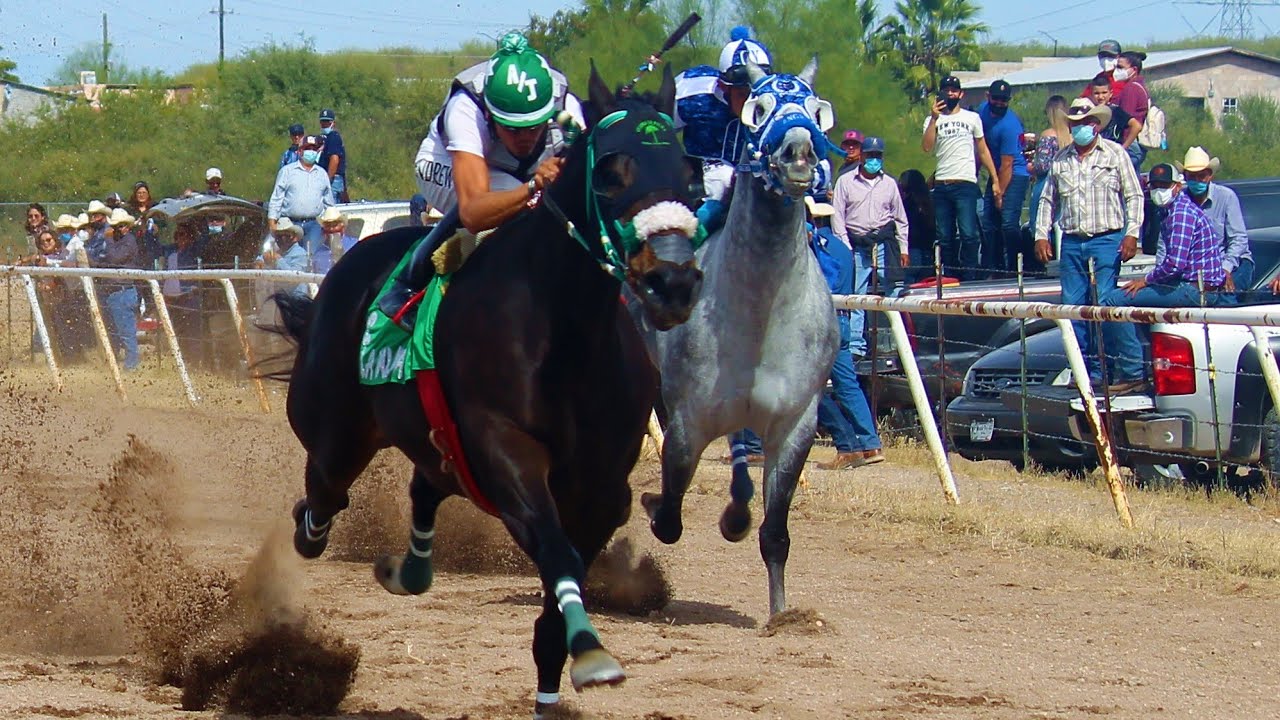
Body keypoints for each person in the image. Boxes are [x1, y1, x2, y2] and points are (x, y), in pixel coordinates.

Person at [380, 31, 582, 328]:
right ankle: (406, 283)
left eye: (534, 127)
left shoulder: (568, 108)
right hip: (443, 163)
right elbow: (474, 212)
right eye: (513, 129)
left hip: (516, 173)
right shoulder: (466, 109)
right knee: (514, 200)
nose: (525, 138)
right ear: (489, 114)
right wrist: (533, 187)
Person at [1033, 98, 1146, 394]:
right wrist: (1041, 234)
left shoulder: (1115, 154)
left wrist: (1131, 233)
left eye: (1084, 123)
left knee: (1106, 305)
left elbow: (1134, 195)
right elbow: (1047, 199)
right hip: (1072, 240)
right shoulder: (1062, 159)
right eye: (1075, 124)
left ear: (1095, 125)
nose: (1079, 129)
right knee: (1073, 307)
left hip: (1107, 239)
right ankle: (1086, 370)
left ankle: (1121, 369)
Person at [1102, 163, 1230, 373]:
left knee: (1115, 301)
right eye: (1155, 185)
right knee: (1134, 304)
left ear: (1177, 186)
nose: (1159, 190)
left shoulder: (1181, 213)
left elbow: (1175, 263)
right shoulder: (1176, 210)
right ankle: (1146, 366)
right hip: (1193, 285)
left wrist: (1146, 280)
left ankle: (1131, 371)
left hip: (1193, 289)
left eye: (1164, 185)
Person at [807, 197, 884, 470]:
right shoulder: (843, 248)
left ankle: (847, 444)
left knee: (809, 386)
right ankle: (870, 441)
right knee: (847, 383)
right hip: (844, 319)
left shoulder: (812, 245)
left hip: (819, 320)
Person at [674, 26, 772, 235]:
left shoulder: (773, 102)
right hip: (700, 178)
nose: (750, 101)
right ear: (723, 86)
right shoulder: (690, 94)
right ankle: (689, 242)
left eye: (756, 92)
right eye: (743, 93)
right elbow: (656, 135)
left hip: (751, 176)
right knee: (722, 179)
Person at [923, 75, 1001, 281]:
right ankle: (949, 274)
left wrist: (994, 179)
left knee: (969, 233)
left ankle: (970, 274)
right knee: (945, 236)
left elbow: (982, 150)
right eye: (946, 90)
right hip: (942, 182)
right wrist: (933, 118)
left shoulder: (971, 118)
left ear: (960, 93)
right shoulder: (933, 119)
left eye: (954, 90)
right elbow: (927, 147)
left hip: (965, 182)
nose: (950, 93)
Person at [831, 135, 910, 337]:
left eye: (878, 155)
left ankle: (900, 337)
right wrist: (845, 247)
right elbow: (837, 216)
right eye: (870, 155)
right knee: (857, 294)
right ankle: (857, 342)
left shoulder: (889, 184)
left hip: (884, 243)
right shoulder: (845, 182)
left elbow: (900, 218)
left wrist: (903, 248)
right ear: (862, 156)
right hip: (857, 244)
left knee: (893, 289)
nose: (874, 159)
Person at [1175, 146, 1252, 300]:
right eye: (1192, 176)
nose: (1197, 181)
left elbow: (1238, 239)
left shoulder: (1226, 197)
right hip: (1196, 270)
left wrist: (1225, 268)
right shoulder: (1179, 201)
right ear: (1185, 176)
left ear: (1210, 175)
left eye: (1201, 176)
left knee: (1224, 299)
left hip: (1234, 263)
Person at [976, 79, 1030, 274]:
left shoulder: (1010, 125)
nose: (999, 103)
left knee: (1008, 222)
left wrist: (999, 193)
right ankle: (994, 266)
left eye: (1003, 100)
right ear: (988, 96)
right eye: (996, 98)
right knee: (989, 222)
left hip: (1014, 174)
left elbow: (1008, 164)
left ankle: (1017, 266)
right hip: (996, 171)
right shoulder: (981, 112)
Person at [267, 133, 335, 268]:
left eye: (314, 149)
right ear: (300, 151)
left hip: (314, 223)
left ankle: (311, 285)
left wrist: (331, 223)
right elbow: (277, 198)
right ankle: (294, 285)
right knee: (291, 256)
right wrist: (272, 222)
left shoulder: (322, 174)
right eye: (307, 148)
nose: (311, 151)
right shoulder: (287, 171)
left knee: (311, 257)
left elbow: (329, 202)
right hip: (290, 223)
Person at [90, 208, 144, 371]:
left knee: (126, 332)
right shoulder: (119, 242)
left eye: (121, 226)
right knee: (115, 330)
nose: (118, 229)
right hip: (115, 291)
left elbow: (113, 258)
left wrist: (108, 242)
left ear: (127, 226)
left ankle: (131, 365)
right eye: (116, 226)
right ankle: (120, 362)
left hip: (123, 291)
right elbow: (107, 261)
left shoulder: (128, 241)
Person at [160, 222, 211, 367]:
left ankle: (195, 363)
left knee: (193, 332)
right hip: (172, 299)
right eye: (176, 235)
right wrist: (147, 230)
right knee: (177, 332)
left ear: (190, 237)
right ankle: (181, 362)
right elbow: (153, 248)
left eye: (182, 234)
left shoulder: (192, 251)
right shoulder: (170, 251)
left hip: (188, 297)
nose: (178, 238)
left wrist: (201, 221)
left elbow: (204, 241)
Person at [1029, 96, 1070, 230]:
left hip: (1046, 184)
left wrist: (1031, 167)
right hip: (1066, 184)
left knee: (1039, 224)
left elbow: (1042, 166)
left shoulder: (1047, 135)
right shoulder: (1071, 136)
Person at [1112, 51, 1150, 172]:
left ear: (1134, 69)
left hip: (1129, 143)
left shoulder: (1131, 89)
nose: (1116, 71)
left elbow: (1126, 120)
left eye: (1120, 67)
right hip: (1135, 144)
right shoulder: (1140, 86)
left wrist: (1123, 147)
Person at [898, 169, 937, 281]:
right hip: (928, 251)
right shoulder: (930, 203)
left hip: (912, 248)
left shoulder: (906, 204)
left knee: (909, 280)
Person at [311, 206, 359, 273]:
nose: (331, 229)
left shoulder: (355, 246)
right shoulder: (318, 252)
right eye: (328, 225)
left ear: (343, 226)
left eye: (334, 225)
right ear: (323, 228)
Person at [318, 109, 349, 203]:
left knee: (330, 211)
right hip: (331, 179)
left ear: (333, 123)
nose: (324, 125)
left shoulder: (333, 137)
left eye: (327, 122)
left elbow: (334, 160)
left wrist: (327, 180)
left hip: (333, 180)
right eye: (323, 122)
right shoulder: (325, 138)